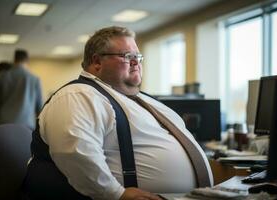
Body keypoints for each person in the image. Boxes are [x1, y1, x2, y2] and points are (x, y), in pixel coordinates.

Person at [24, 26, 213, 200]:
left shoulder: (143, 99)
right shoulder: (79, 95)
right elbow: (77, 153)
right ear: (97, 62)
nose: (136, 62)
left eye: (138, 57)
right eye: (128, 56)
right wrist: (116, 194)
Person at [0, 49, 43, 130]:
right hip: (26, 125)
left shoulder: (2, 77)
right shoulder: (34, 79)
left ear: (14, 60)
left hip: (4, 124)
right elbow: (40, 107)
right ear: (27, 60)